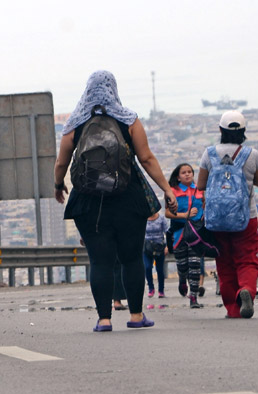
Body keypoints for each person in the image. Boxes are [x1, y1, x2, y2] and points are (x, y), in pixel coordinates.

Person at [55, 70, 177, 332]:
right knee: (131, 258)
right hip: (128, 198)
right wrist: (166, 188)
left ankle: (104, 319)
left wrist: (58, 186)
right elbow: (146, 159)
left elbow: (61, 163)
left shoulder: (75, 124)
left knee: (100, 261)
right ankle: (135, 316)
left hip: (89, 202)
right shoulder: (129, 120)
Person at [197, 111, 258, 319]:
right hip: (246, 217)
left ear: (220, 130)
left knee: (224, 263)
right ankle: (245, 289)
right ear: (243, 131)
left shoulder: (208, 154)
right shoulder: (252, 154)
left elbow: (200, 185)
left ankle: (233, 309)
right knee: (247, 259)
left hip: (217, 219)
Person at [166, 163, 206, 307]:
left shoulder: (200, 190)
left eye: (190, 172)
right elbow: (167, 213)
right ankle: (182, 279)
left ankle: (193, 298)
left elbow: (205, 206)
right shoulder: (172, 191)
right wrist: (185, 215)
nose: (187, 174)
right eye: (184, 172)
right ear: (178, 176)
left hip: (196, 233)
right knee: (182, 265)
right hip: (179, 233)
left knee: (195, 265)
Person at [142, 211, 169, 298]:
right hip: (147, 247)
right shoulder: (143, 219)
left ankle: (161, 290)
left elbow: (167, 232)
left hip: (159, 247)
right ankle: (151, 287)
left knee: (160, 269)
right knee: (147, 267)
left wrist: (167, 246)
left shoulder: (161, 218)